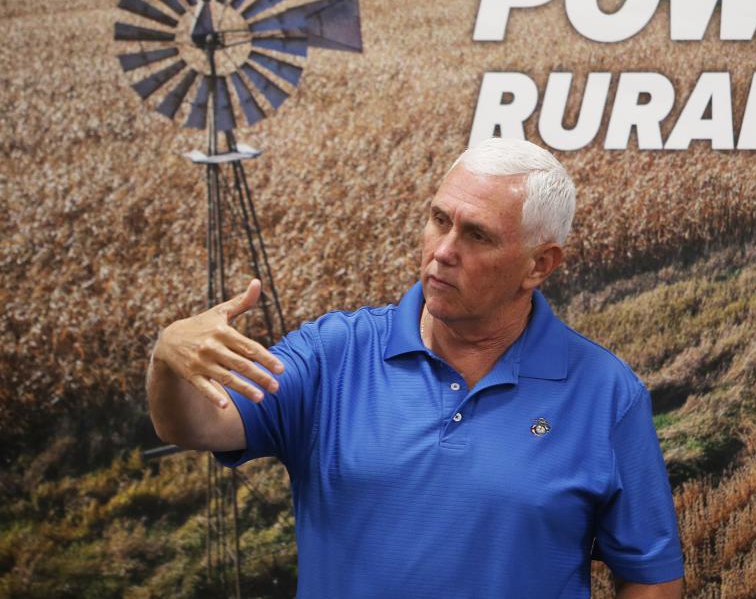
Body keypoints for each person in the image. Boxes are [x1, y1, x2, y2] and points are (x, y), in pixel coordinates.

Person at [148, 137, 685, 598]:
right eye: (438, 220)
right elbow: (196, 424)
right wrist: (169, 357)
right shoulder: (335, 353)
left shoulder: (606, 394)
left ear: (538, 265)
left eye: (477, 235)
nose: (443, 251)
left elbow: (650, 576)